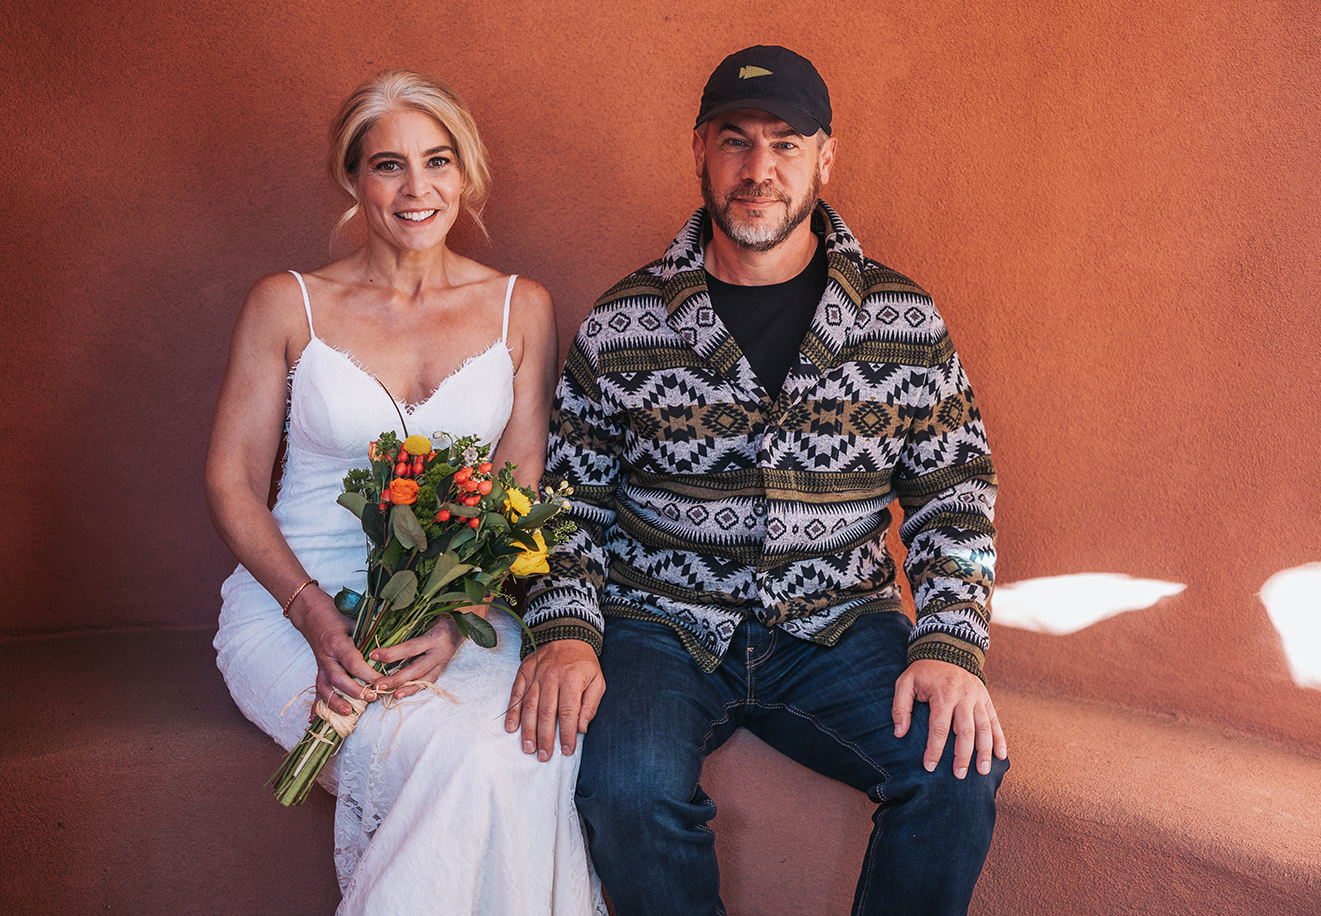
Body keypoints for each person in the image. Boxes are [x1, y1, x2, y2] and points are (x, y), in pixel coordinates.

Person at [506, 45, 1007, 915]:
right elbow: (569, 501)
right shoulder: (627, 322)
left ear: (825, 155)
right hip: (659, 623)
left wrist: (950, 643)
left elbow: (954, 492)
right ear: (699, 149)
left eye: (785, 142)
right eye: (735, 141)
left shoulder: (900, 317)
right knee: (624, 791)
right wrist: (567, 628)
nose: (759, 169)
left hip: (838, 624)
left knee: (960, 771)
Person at [206, 70, 605, 915]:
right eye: (388, 164)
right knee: (452, 756)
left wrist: (453, 615)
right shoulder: (287, 304)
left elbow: (519, 486)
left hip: (459, 608)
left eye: (438, 161)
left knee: (531, 745)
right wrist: (314, 615)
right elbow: (231, 481)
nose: (416, 189)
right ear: (352, 178)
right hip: (294, 607)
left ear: (467, 173)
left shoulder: (520, 308)